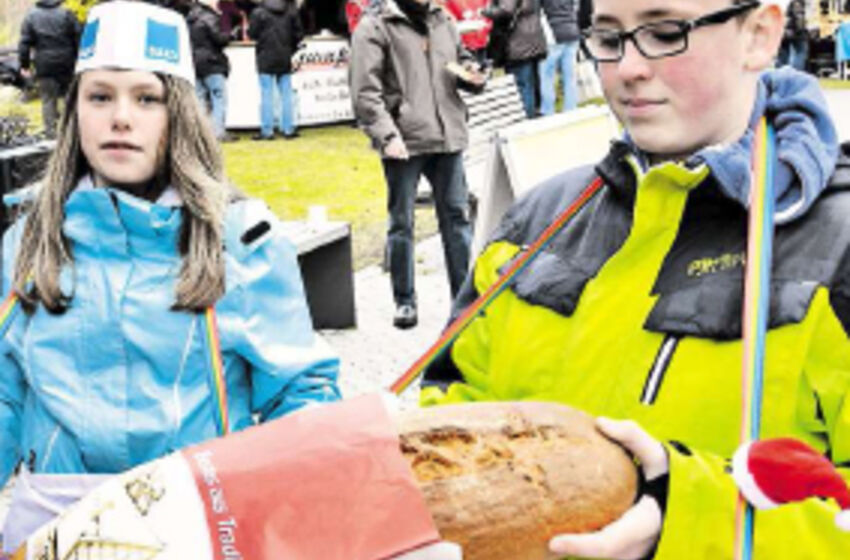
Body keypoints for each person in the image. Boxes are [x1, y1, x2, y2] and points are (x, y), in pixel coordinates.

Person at [422, 0, 850, 558]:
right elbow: (450, 414)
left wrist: (687, 521)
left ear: (759, 35)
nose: (627, 68)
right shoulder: (539, 217)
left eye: (665, 31)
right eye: (607, 37)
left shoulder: (837, 246)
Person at [0, 1, 341, 551]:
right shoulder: (26, 244)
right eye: (101, 96)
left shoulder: (242, 242)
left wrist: (296, 508)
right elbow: (4, 394)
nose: (121, 118)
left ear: (178, 110)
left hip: (201, 526)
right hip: (53, 527)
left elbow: (300, 393)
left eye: (147, 98)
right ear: (76, 110)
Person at [349, 0, 479, 329]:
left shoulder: (442, 17)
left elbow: (459, 59)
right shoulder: (374, 25)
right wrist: (386, 135)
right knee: (401, 223)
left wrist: (472, 72)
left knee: (457, 219)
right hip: (403, 141)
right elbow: (365, 91)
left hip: (447, 134)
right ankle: (404, 301)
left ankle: (465, 301)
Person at [16, 0, 81, 138]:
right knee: (70, 98)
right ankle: (71, 133)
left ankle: (51, 134)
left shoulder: (31, 16)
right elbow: (78, 38)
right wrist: (78, 60)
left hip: (45, 65)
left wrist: (25, 65)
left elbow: (24, 44)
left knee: (48, 100)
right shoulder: (66, 14)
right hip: (67, 64)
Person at [248, 0, 303, 140]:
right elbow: (298, 34)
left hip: (265, 56)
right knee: (286, 94)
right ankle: (288, 129)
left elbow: (252, 33)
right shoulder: (291, 10)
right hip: (285, 56)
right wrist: (291, 49)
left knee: (267, 94)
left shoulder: (259, 12)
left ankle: (267, 130)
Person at [482, 0, 547, 117]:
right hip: (533, 39)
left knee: (521, 86)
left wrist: (486, 11)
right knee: (530, 84)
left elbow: (506, 11)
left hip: (518, 43)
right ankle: (534, 115)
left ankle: (527, 120)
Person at [187, 0, 236, 141]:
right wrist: (231, 35)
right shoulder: (209, 17)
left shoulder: (190, 17)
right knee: (219, 98)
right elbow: (219, 39)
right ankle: (217, 132)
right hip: (212, 62)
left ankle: (201, 134)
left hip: (195, 62)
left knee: (200, 99)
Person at [538, 0, 580, 114]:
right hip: (572, 31)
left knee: (547, 75)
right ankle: (571, 109)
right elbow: (576, 6)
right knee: (570, 76)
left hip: (553, 34)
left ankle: (547, 111)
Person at [445, 0, 493, 65]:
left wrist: (487, 29)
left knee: (483, 69)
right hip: (464, 46)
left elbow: (489, 16)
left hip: (482, 43)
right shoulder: (452, 2)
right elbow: (450, 23)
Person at [777, 0, 808, 70]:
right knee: (800, 53)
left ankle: (779, 76)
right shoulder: (796, 2)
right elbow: (799, 17)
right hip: (794, 32)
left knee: (782, 56)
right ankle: (795, 74)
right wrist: (801, 30)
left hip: (781, 30)